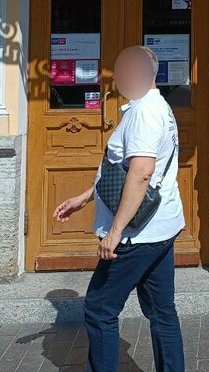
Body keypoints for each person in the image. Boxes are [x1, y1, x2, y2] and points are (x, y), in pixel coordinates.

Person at [53, 45, 185, 372]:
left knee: (99, 310)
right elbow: (120, 172)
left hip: (136, 236)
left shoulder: (144, 113)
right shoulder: (153, 107)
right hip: (159, 229)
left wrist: (115, 233)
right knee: (161, 312)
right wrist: (85, 198)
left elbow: (141, 173)